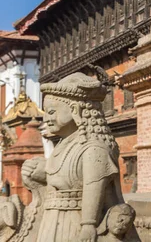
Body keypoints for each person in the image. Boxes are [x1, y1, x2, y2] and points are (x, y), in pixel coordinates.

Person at [20, 72, 138, 242]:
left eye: (52, 112)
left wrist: (88, 224)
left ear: (75, 109)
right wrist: (37, 174)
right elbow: (60, 178)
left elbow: (93, 188)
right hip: (52, 221)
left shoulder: (94, 148)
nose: (46, 119)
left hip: (74, 223)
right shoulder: (64, 144)